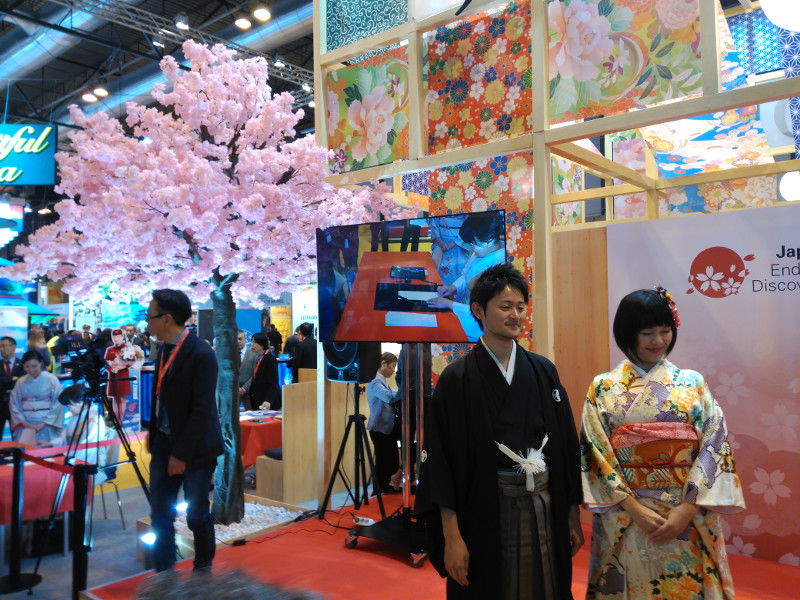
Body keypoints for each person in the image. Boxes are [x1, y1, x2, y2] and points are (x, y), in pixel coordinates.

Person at [417, 263, 584, 600]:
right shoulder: (456, 379)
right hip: (484, 513)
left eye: (521, 307)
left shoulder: (543, 371)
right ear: (478, 310)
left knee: (546, 586)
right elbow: (441, 464)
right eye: (505, 307)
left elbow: (565, 447)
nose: (516, 315)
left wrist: (571, 513)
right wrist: (451, 536)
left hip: (544, 507)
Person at [580, 287, 745, 599]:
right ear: (627, 333)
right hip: (628, 516)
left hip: (686, 512)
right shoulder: (603, 388)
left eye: (665, 331)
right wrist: (633, 508)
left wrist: (687, 508)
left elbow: (714, 442)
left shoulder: (693, 383)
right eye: (647, 333)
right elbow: (595, 452)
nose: (658, 341)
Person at [146, 288, 223, 572]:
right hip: (164, 444)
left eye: (150, 316)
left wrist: (180, 453)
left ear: (167, 319)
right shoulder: (164, 349)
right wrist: (157, 441)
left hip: (195, 449)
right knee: (160, 516)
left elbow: (202, 410)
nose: (147, 322)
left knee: (197, 514)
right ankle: (163, 576)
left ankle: (203, 572)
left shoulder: (201, 353)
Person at [8, 350, 64, 446]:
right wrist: (25, 423)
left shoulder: (52, 379)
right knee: (27, 452)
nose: (31, 370)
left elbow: (58, 403)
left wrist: (42, 424)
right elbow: (14, 404)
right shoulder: (21, 382)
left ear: (40, 363)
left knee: (46, 454)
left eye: (34, 366)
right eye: (27, 367)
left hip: (47, 423)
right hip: (26, 423)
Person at [366, 352, 402, 495]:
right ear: (383, 363)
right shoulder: (375, 381)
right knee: (382, 461)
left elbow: (394, 393)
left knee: (391, 459)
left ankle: (387, 487)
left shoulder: (384, 381)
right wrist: (403, 392)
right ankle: (379, 490)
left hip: (387, 428)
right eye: (392, 366)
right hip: (379, 428)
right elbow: (389, 397)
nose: (393, 370)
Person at [104, 328, 133, 423]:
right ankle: (117, 420)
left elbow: (130, 363)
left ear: (122, 337)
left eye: (118, 337)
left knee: (122, 398)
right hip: (112, 376)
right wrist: (110, 369)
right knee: (115, 398)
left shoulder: (127, 348)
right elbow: (105, 363)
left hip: (123, 376)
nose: (116, 339)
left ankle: (121, 420)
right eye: (114, 337)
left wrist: (120, 367)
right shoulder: (109, 350)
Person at [247, 332, 281, 411]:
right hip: (259, 399)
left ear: (261, 344)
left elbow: (273, 382)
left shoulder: (269, 358)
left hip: (267, 402)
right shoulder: (259, 357)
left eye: (254, 342)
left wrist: (268, 400)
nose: (252, 344)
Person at [0, 336, 24, 438]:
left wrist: (4, 380)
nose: (1, 349)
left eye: (4, 346)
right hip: (0, 404)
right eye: (0, 347)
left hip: (16, 405)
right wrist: (12, 379)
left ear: (13, 347)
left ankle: (17, 454)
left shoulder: (23, 364)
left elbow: (23, 380)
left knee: (17, 435)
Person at [237, 330, 258, 410]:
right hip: (234, 393)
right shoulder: (230, 356)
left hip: (249, 393)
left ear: (245, 339)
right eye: (235, 339)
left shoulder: (254, 354)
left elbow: (255, 374)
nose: (238, 341)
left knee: (251, 419)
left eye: (240, 339)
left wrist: (244, 389)